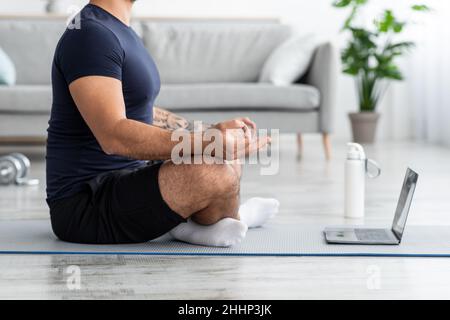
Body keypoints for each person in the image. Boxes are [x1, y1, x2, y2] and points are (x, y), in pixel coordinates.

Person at [46, 0, 279, 247]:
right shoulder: (89, 35)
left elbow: (140, 110)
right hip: (86, 204)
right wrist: (207, 143)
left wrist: (210, 132)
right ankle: (232, 218)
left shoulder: (116, 28)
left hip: (129, 176)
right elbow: (113, 135)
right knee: (214, 172)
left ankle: (191, 227)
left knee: (226, 156)